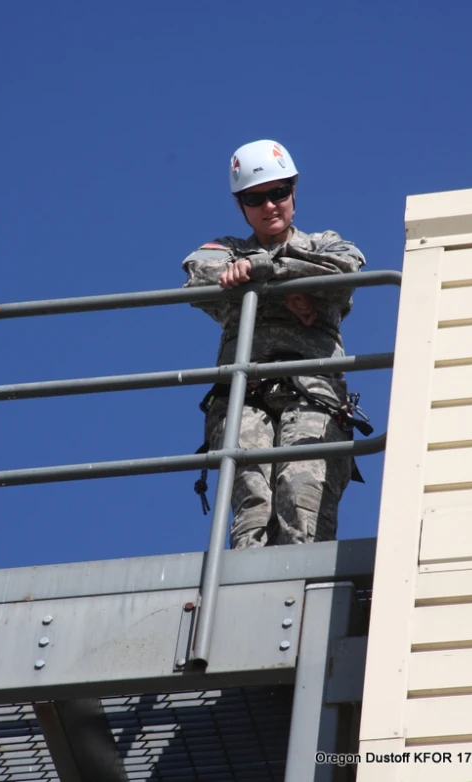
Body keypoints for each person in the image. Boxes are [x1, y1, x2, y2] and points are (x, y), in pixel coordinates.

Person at [182, 140, 366, 550]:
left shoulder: (325, 243)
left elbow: (347, 268)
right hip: (242, 394)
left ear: (294, 190)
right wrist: (289, 290)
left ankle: (302, 596)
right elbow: (197, 275)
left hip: (314, 394)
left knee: (303, 496)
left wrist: (265, 270)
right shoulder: (227, 250)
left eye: (278, 192)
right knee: (252, 507)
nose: (269, 206)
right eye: (255, 197)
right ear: (241, 204)